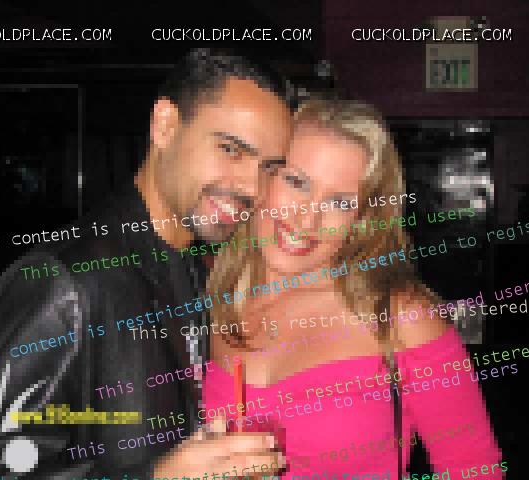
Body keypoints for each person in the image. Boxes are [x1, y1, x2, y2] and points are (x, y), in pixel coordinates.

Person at [0, 48, 292, 478]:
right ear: (165, 125)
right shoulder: (64, 283)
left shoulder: (195, 269)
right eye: (230, 149)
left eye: (268, 168)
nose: (251, 188)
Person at [206, 97, 504, 478]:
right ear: (261, 177)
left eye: (340, 202)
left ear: (363, 218)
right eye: (296, 182)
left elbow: (475, 468)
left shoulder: (401, 317)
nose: (307, 219)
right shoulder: (216, 299)